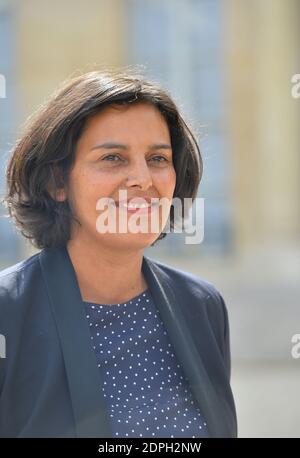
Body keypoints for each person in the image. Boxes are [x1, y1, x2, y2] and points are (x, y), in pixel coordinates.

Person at [0, 70, 237, 438]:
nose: (143, 179)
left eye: (158, 158)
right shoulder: (7, 313)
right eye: (113, 157)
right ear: (56, 182)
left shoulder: (202, 306)